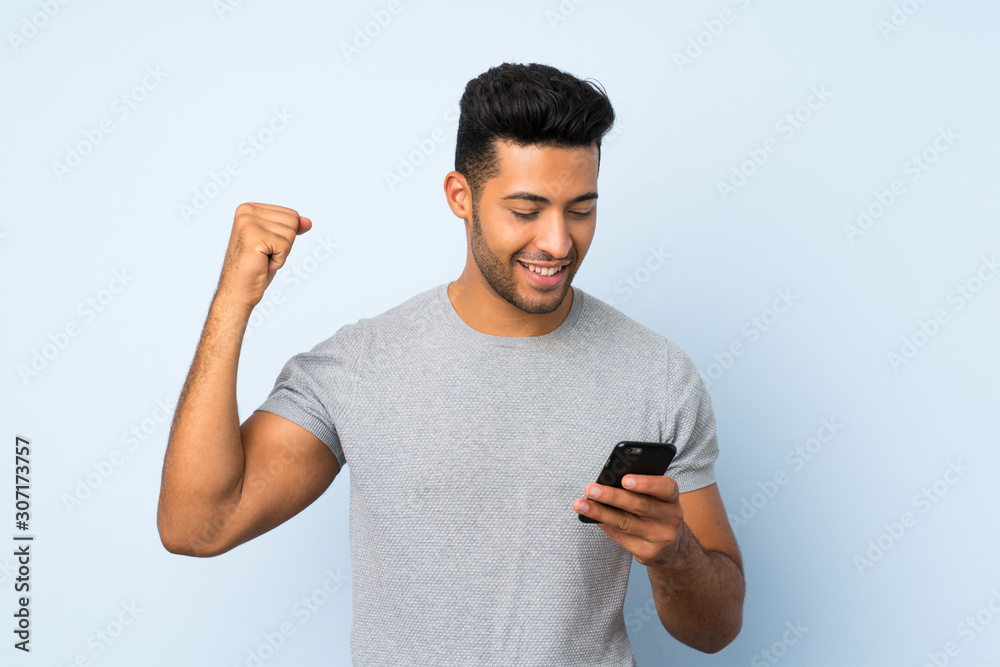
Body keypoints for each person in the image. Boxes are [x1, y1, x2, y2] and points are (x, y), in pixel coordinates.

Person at [157, 62, 745, 665]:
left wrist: (674, 555)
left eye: (581, 209)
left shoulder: (658, 375)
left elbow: (717, 628)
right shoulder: (359, 366)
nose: (558, 242)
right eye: (526, 210)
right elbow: (198, 524)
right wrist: (233, 301)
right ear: (460, 197)